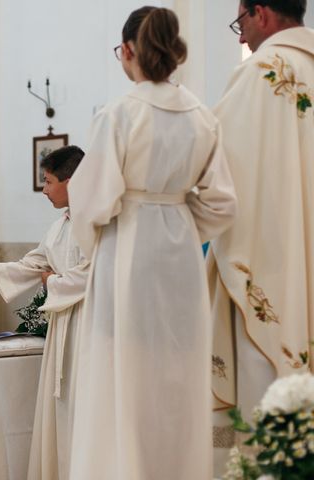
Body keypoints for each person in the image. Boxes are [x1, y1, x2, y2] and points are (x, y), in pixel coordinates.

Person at [66, 7, 237, 479]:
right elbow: (223, 203)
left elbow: (91, 201)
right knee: (176, 377)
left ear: (128, 51)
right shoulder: (203, 116)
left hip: (127, 251)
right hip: (180, 260)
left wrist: (110, 234)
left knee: (121, 375)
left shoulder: (119, 113)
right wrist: (180, 226)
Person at [209, 0, 314, 469]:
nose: (240, 37)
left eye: (242, 21)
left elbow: (216, 177)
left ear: (263, 13)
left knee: (271, 436)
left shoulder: (261, 73)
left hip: (270, 271)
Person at [0, 145, 88, 479]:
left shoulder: (96, 222)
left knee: (85, 404)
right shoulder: (60, 226)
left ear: (70, 182)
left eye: (48, 181)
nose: (43, 190)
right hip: (62, 325)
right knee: (63, 406)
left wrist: (53, 281)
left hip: (87, 326)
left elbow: (93, 274)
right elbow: (30, 265)